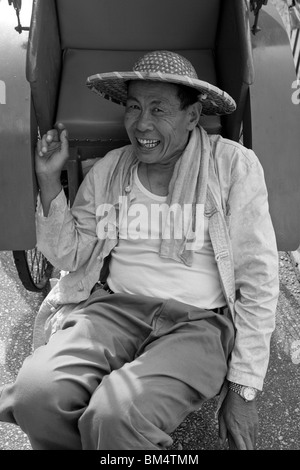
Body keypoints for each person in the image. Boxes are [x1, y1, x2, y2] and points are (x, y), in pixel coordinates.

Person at [0, 50, 279, 450]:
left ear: (193, 116)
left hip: (197, 325)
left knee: (115, 418)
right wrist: (48, 181)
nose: (142, 123)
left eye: (158, 109)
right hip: (112, 310)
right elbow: (70, 255)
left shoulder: (231, 166)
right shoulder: (113, 168)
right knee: (35, 396)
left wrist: (244, 389)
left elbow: (259, 278)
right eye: (133, 107)